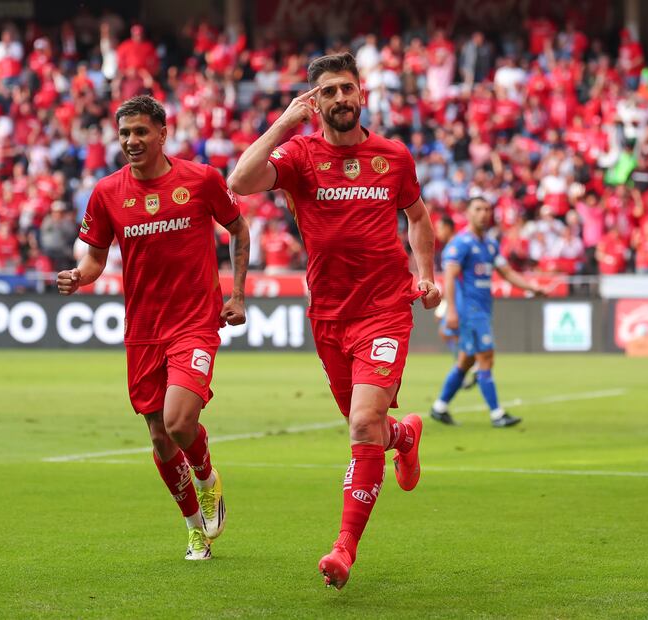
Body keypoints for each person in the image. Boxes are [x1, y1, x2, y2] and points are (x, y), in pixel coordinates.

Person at [227, 52, 440, 589]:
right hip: (328, 315)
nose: (341, 98)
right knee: (370, 428)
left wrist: (426, 275)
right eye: (328, 91)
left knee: (361, 424)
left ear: (361, 93)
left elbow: (417, 217)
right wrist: (285, 122)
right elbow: (241, 180)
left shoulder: (393, 155)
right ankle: (403, 436)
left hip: (386, 309)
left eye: (347, 88)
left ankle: (344, 548)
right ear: (314, 101)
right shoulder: (299, 155)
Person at [57, 95, 249, 561]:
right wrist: (79, 276)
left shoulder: (201, 180)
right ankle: (194, 528)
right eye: (124, 133)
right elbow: (96, 258)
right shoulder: (107, 192)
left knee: (179, 422)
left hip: (195, 322)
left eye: (141, 131)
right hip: (143, 329)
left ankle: (206, 477)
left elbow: (239, 229)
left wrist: (238, 294)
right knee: (160, 437)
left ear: (163, 133)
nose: (132, 140)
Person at [430, 197, 546, 428]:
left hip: (483, 309)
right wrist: (451, 310)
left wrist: (531, 288)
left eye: (487, 209)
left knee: (466, 361)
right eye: (478, 209)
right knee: (486, 357)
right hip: (469, 311)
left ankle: (439, 407)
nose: (483, 213)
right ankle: (497, 414)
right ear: (469, 213)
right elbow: (449, 277)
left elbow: (507, 273)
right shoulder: (460, 243)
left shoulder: (491, 244)